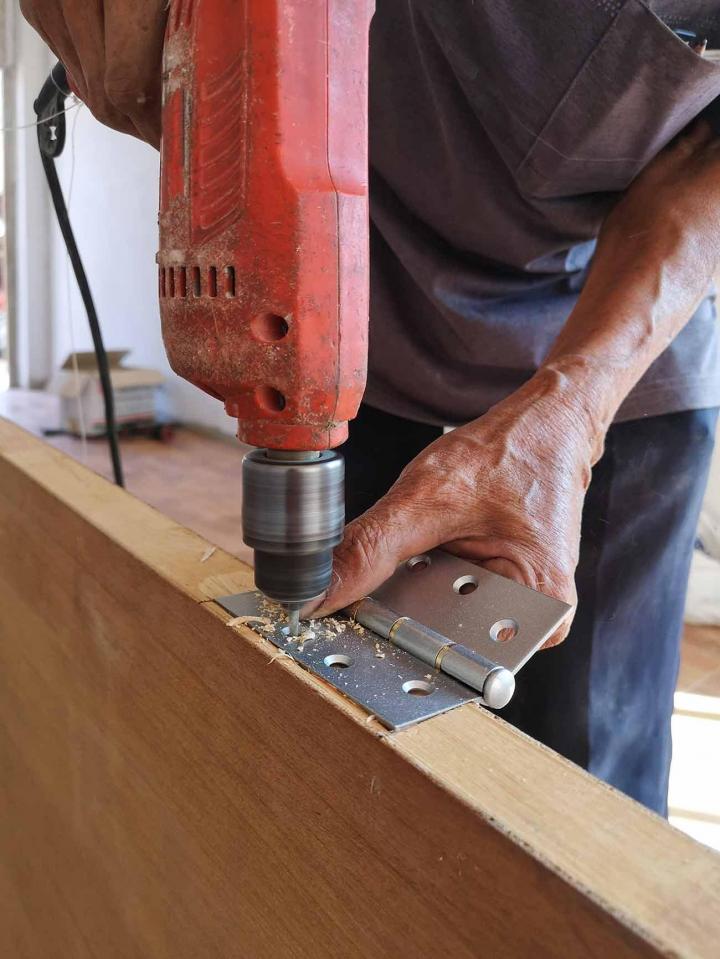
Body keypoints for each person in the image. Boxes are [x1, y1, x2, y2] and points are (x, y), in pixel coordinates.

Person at [21, 0, 720, 815]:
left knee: (588, 779)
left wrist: (574, 407)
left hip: (615, 317)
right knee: (342, 742)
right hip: (364, 304)